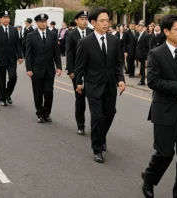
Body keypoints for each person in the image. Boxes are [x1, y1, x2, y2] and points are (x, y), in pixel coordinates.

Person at [142, 14, 177, 198]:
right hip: (165, 111)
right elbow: (153, 81)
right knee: (165, 154)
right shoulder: (156, 53)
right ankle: (149, 178)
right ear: (166, 31)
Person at [74, 7, 125, 163]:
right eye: (102, 21)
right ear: (93, 22)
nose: (105, 23)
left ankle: (101, 137)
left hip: (110, 85)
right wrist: (79, 82)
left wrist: (120, 79)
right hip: (93, 86)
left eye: (107, 20)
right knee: (97, 117)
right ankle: (97, 148)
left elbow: (118, 63)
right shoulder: (85, 42)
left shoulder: (114, 40)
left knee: (109, 113)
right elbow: (80, 66)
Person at [25, 13, 62, 123]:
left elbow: (56, 52)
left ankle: (47, 113)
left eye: (45, 21)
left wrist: (59, 66)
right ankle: (40, 114)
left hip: (49, 69)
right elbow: (29, 54)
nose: (43, 23)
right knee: (38, 92)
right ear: (37, 23)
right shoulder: (31, 36)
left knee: (49, 92)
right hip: (36, 69)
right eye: (41, 21)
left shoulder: (53, 35)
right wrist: (29, 69)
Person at [65, 11, 92, 135]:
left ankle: (94, 124)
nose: (85, 21)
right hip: (77, 72)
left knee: (94, 99)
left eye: (86, 19)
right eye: (82, 19)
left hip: (91, 72)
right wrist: (71, 70)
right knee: (80, 99)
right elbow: (69, 53)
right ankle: (80, 125)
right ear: (76, 21)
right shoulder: (71, 34)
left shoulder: (91, 33)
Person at [0, 11, 23, 107]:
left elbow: (18, 44)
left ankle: (7, 93)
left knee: (13, 77)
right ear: (0, 19)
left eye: (8, 17)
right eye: (4, 17)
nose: (6, 19)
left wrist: (20, 56)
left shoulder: (14, 30)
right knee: (1, 80)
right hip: (0, 59)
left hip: (12, 59)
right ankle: (2, 98)